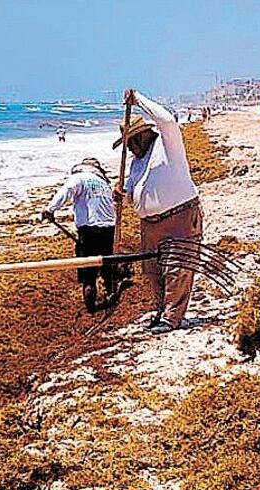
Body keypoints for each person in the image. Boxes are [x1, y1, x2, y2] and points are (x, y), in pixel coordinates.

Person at [112, 88, 202, 335]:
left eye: (131, 142)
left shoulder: (166, 143)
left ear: (142, 135)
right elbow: (131, 188)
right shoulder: (136, 161)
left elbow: (167, 119)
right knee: (153, 271)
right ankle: (160, 310)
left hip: (180, 216)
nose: (129, 148)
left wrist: (137, 99)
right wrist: (122, 193)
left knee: (177, 267)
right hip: (150, 225)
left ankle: (173, 317)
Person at [41, 157, 118, 312]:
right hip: (109, 227)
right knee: (106, 262)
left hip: (89, 229)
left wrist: (50, 209)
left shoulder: (79, 178)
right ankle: (111, 293)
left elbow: (66, 191)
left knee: (88, 269)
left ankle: (90, 307)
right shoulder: (105, 184)